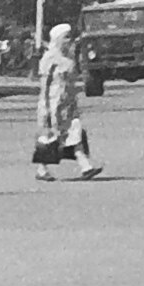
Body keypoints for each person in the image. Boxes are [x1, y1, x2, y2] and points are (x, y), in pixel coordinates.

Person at [33, 22, 105, 181]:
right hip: (53, 104)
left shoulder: (68, 57)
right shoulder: (50, 58)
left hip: (68, 105)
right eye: (66, 37)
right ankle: (42, 169)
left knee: (75, 133)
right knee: (51, 137)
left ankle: (86, 166)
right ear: (58, 39)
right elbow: (46, 85)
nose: (69, 40)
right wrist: (47, 108)